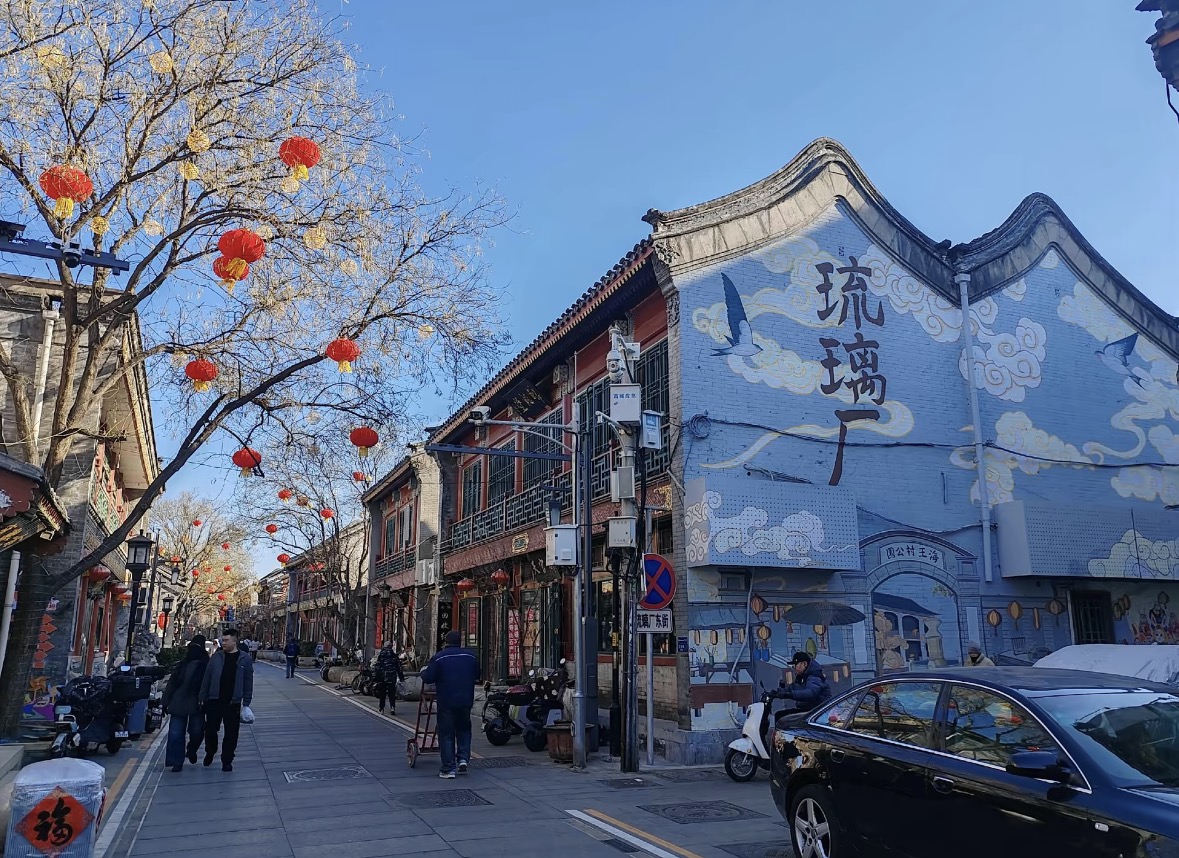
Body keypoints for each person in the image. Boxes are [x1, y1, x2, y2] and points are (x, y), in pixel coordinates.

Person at [420, 630, 480, 778]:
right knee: (464, 730)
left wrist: (423, 672)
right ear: (460, 641)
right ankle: (463, 759)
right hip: (466, 700)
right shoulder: (470, 656)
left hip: (446, 701)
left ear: (446, 642)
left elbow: (428, 677)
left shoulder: (439, 658)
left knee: (446, 734)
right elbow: (477, 675)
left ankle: (448, 768)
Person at [198, 628, 254, 772]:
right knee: (210, 730)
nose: (224, 643)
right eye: (223, 640)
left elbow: (248, 681)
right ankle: (210, 751)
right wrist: (202, 697)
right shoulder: (216, 657)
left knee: (231, 734)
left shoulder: (244, 659)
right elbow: (207, 677)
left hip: (233, 702)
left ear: (235, 641)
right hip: (214, 700)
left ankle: (227, 760)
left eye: (227, 640)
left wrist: (246, 702)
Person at [161, 635, 208, 773]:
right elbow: (172, 684)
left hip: (197, 705)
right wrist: (164, 702)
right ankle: (176, 761)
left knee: (197, 732)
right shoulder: (183, 664)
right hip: (178, 703)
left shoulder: (206, 665)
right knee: (175, 734)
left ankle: (191, 750)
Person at [374, 641, 405, 716]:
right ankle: (392, 708)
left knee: (382, 694)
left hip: (383, 677)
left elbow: (377, 667)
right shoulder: (394, 656)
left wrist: (377, 677)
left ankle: (381, 708)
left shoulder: (381, 655)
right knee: (392, 693)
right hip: (392, 677)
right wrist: (401, 677)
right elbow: (398, 667)